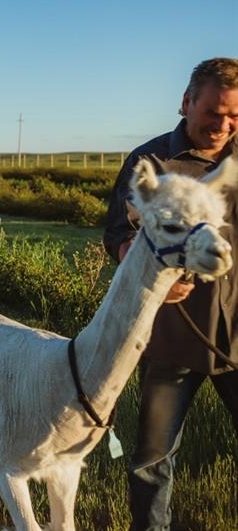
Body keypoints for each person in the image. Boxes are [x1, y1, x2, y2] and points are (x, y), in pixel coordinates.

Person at [103, 57, 238, 530]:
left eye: (234, 117)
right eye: (213, 112)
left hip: (236, 333)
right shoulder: (151, 165)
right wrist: (160, 276)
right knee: (152, 458)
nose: (222, 125)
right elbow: (120, 235)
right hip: (171, 335)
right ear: (186, 103)